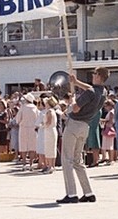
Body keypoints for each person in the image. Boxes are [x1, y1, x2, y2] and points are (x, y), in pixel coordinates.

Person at [56, 66, 109, 204]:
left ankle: (71, 193)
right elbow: (91, 89)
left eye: (94, 74)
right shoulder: (103, 92)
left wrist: (73, 100)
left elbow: (75, 108)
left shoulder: (90, 92)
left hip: (74, 123)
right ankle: (88, 192)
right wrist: (77, 82)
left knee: (67, 159)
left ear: (98, 76)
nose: (92, 75)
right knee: (78, 160)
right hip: (85, 125)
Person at [16, 92, 38, 170]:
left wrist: (18, 122)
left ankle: (24, 163)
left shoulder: (23, 107)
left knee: (23, 145)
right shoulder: (35, 108)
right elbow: (37, 119)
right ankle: (31, 164)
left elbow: (18, 119)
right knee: (32, 146)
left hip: (23, 128)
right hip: (33, 128)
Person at [39, 96, 59, 173]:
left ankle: (50, 166)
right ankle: (52, 165)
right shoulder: (52, 111)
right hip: (52, 130)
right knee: (52, 148)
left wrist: (42, 125)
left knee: (49, 148)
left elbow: (48, 122)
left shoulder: (49, 112)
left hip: (49, 130)